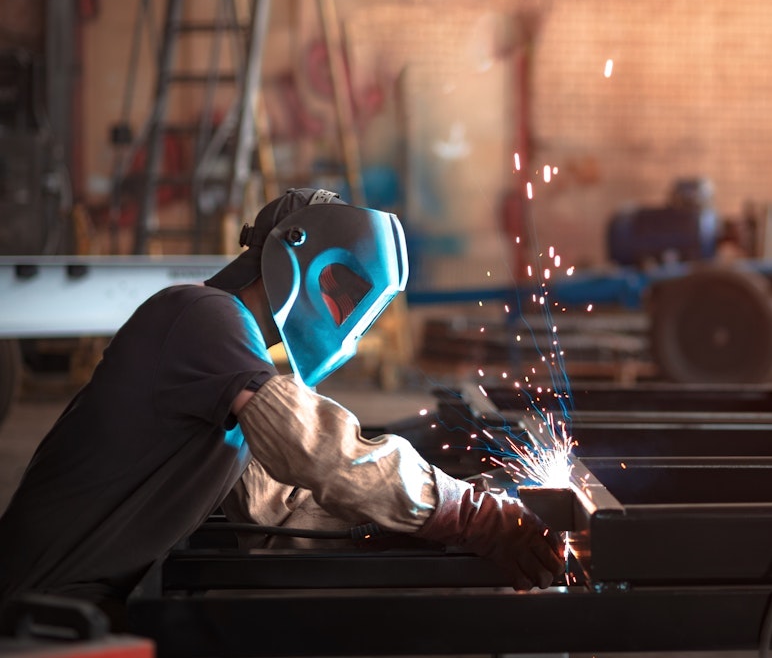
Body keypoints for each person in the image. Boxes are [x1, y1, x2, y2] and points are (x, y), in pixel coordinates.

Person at [0, 188, 564, 629]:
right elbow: (318, 448)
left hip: (81, 605)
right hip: (39, 613)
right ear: (297, 250)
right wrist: (466, 511)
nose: (344, 311)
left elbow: (279, 515)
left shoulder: (230, 382)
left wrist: (405, 526)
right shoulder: (200, 316)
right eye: (344, 289)